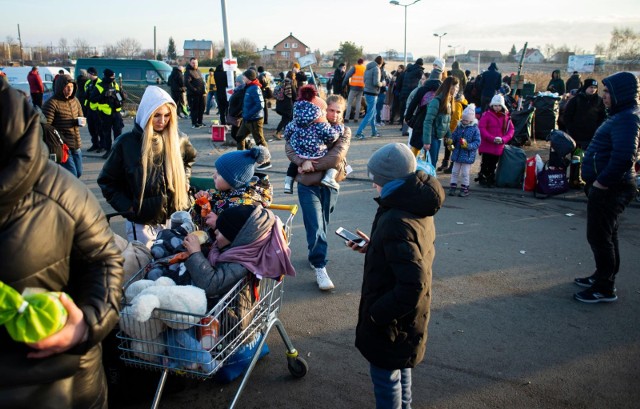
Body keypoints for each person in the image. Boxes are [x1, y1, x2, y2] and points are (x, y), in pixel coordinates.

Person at [0, 75, 124, 409]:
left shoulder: (62, 194)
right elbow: (111, 179)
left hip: (57, 388)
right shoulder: (54, 104)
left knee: (77, 170)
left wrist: (86, 323)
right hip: (64, 145)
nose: (70, 90)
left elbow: (105, 260)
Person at [347, 142, 444, 409]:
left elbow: (413, 283)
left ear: (388, 181)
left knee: (386, 378)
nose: (372, 185)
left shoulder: (395, 220)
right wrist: (373, 246)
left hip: (390, 320)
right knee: (400, 370)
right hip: (407, 319)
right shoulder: (413, 204)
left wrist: (377, 314)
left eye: (375, 180)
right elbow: (409, 254)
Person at [98, 86, 196, 247]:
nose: (162, 120)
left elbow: (189, 159)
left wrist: (184, 179)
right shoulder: (126, 143)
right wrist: (128, 207)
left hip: (175, 217)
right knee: (144, 265)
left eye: (167, 115)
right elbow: (107, 181)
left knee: (173, 264)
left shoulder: (179, 139)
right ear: (146, 114)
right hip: (142, 223)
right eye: (156, 115)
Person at [573, 71, 639, 304]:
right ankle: (602, 276)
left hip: (611, 188)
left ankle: (605, 287)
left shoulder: (627, 118)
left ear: (621, 94)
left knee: (601, 237)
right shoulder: (620, 115)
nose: (604, 96)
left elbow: (624, 157)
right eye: (604, 91)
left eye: (608, 92)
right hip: (608, 186)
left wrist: (601, 183)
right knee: (607, 236)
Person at [285, 94, 350, 290]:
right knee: (315, 224)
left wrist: (309, 164)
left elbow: (336, 156)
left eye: (339, 112)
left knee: (323, 223)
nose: (335, 115)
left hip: (330, 185)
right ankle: (320, 266)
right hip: (307, 184)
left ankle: (314, 253)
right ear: (323, 110)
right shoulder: (304, 123)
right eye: (331, 110)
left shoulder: (344, 131)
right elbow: (289, 147)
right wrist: (300, 161)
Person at [183, 204, 296, 299]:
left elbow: (211, 285)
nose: (215, 231)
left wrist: (196, 254)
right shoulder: (236, 247)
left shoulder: (242, 264)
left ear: (237, 238)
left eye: (221, 231)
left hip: (229, 315)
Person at [190, 146, 272, 230]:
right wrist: (202, 203)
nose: (214, 175)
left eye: (219, 174)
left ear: (233, 180)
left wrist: (219, 224)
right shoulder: (219, 193)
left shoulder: (242, 208)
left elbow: (240, 237)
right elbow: (201, 221)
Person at [284, 85, 343, 194]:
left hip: (300, 153)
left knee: (292, 165)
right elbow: (331, 137)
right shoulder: (322, 125)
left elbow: (287, 136)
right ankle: (329, 177)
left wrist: (301, 162)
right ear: (319, 111)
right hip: (317, 155)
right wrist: (338, 130)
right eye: (328, 110)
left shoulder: (295, 123)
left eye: (338, 112)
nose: (333, 114)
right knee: (337, 161)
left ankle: (288, 182)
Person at [42, 74, 85, 177]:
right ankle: (69, 192)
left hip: (76, 143)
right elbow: (46, 126)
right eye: (67, 87)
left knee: (79, 173)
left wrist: (80, 121)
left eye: (72, 86)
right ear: (60, 87)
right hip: (62, 145)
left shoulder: (75, 100)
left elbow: (81, 115)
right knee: (72, 175)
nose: (70, 89)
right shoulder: (52, 103)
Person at [477, 94, 515, 187]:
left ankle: (490, 178)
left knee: (493, 164)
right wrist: (491, 138)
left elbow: (511, 130)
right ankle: (482, 177)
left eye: (499, 105)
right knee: (485, 162)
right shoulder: (486, 115)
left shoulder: (506, 117)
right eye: (495, 105)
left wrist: (503, 139)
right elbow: (482, 128)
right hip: (487, 144)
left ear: (502, 106)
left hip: (498, 145)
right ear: (492, 105)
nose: (497, 107)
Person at [235, 70, 270, 169]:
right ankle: (240, 158)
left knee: (259, 141)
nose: (243, 78)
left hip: (255, 119)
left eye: (244, 77)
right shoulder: (248, 87)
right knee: (239, 137)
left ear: (249, 78)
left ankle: (266, 161)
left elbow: (260, 104)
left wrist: (249, 114)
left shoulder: (255, 88)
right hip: (247, 119)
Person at [423, 76, 459, 168]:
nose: (457, 90)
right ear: (450, 87)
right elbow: (428, 122)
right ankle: (428, 181)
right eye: (456, 87)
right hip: (432, 137)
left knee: (433, 162)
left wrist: (449, 137)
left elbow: (445, 122)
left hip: (438, 137)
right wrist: (427, 141)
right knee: (431, 163)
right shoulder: (436, 101)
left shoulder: (449, 102)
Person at [563, 78, 606, 152]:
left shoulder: (599, 101)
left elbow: (603, 116)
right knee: (576, 158)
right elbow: (567, 116)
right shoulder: (576, 100)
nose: (593, 89)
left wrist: (598, 128)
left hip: (592, 136)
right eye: (591, 87)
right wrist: (571, 129)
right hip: (576, 136)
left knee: (589, 158)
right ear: (586, 87)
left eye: (595, 88)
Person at [448, 104, 481, 197]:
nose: (464, 121)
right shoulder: (459, 127)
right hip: (457, 153)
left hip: (467, 155)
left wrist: (468, 146)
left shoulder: (475, 129)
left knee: (465, 173)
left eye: (466, 120)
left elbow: (477, 142)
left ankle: (465, 189)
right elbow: (454, 136)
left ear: (471, 120)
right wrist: (451, 141)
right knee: (454, 171)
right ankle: (452, 187)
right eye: (463, 119)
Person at [91, 68, 125, 158]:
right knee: (107, 133)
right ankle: (108, 150)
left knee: (118, 132)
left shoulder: (115, 84)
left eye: (114, 76)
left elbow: (119, 95)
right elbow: (92, 99)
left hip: (116, 112)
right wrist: (104, 95)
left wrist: (122, 96)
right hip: (105, 114)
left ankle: (117, 151)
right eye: (111, 77)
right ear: (106, 76)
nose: (113, 78)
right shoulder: (99, 86)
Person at [355, 56, 385, 139]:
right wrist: (382, 84)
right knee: (369, 114)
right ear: (381, 63)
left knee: (372, 113)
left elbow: (364, 80)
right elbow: (376, 83)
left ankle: (374, 132)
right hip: (373, 93)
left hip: (367, 92)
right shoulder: (376, 69)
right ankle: (359, 133)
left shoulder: (367, 68)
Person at [397, 58, 425, 135]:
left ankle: (403, 128)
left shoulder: (408, 70)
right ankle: (408, 129)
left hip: (404, 93)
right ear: (421, 64)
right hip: (412, 93)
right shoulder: (419, 71)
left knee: (404, 110)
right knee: (412, 111)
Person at [84, 67, 103, 153]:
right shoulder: (88, 83)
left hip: (98, 110)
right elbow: (86, 95)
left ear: (91, 73)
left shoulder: (100, 83)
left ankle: (101, 145)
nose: (87, 75)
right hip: (90, 109)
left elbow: (101, 98)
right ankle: (95, 144)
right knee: (91, 128)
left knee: (99, 128)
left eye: (88, 73)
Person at [342, 58, 366, 124]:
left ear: (357, 62)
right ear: (363, 63)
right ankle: (356, 118)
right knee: (358, 102)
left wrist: (344, 83)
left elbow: (347, 75)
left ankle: (346, 118)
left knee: (349, 103)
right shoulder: (365, 68)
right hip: (361, 88)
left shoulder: (355, 67)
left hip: (353, 88)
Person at [274, 70, 296, 139]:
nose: (295, 77)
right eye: (294, 75)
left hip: (280, 103)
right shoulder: (290, 83)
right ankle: (277, 132)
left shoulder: (282, 82)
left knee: (285, 118)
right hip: (287, 104)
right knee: (288, 118)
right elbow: (294, 95)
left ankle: (285, 133)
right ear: (292, 76)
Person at [184, 58, 206, 128]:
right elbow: (187, 83)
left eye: (196, 63)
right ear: (190, 63)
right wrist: (195, 90)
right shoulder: (188, 72)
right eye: (193, 63)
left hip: (201, 94)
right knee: (194, 109)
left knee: (201, 108)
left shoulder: (198, 71)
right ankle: (194, 123)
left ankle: (200, 122)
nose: (195, 64)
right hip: (193, 95)